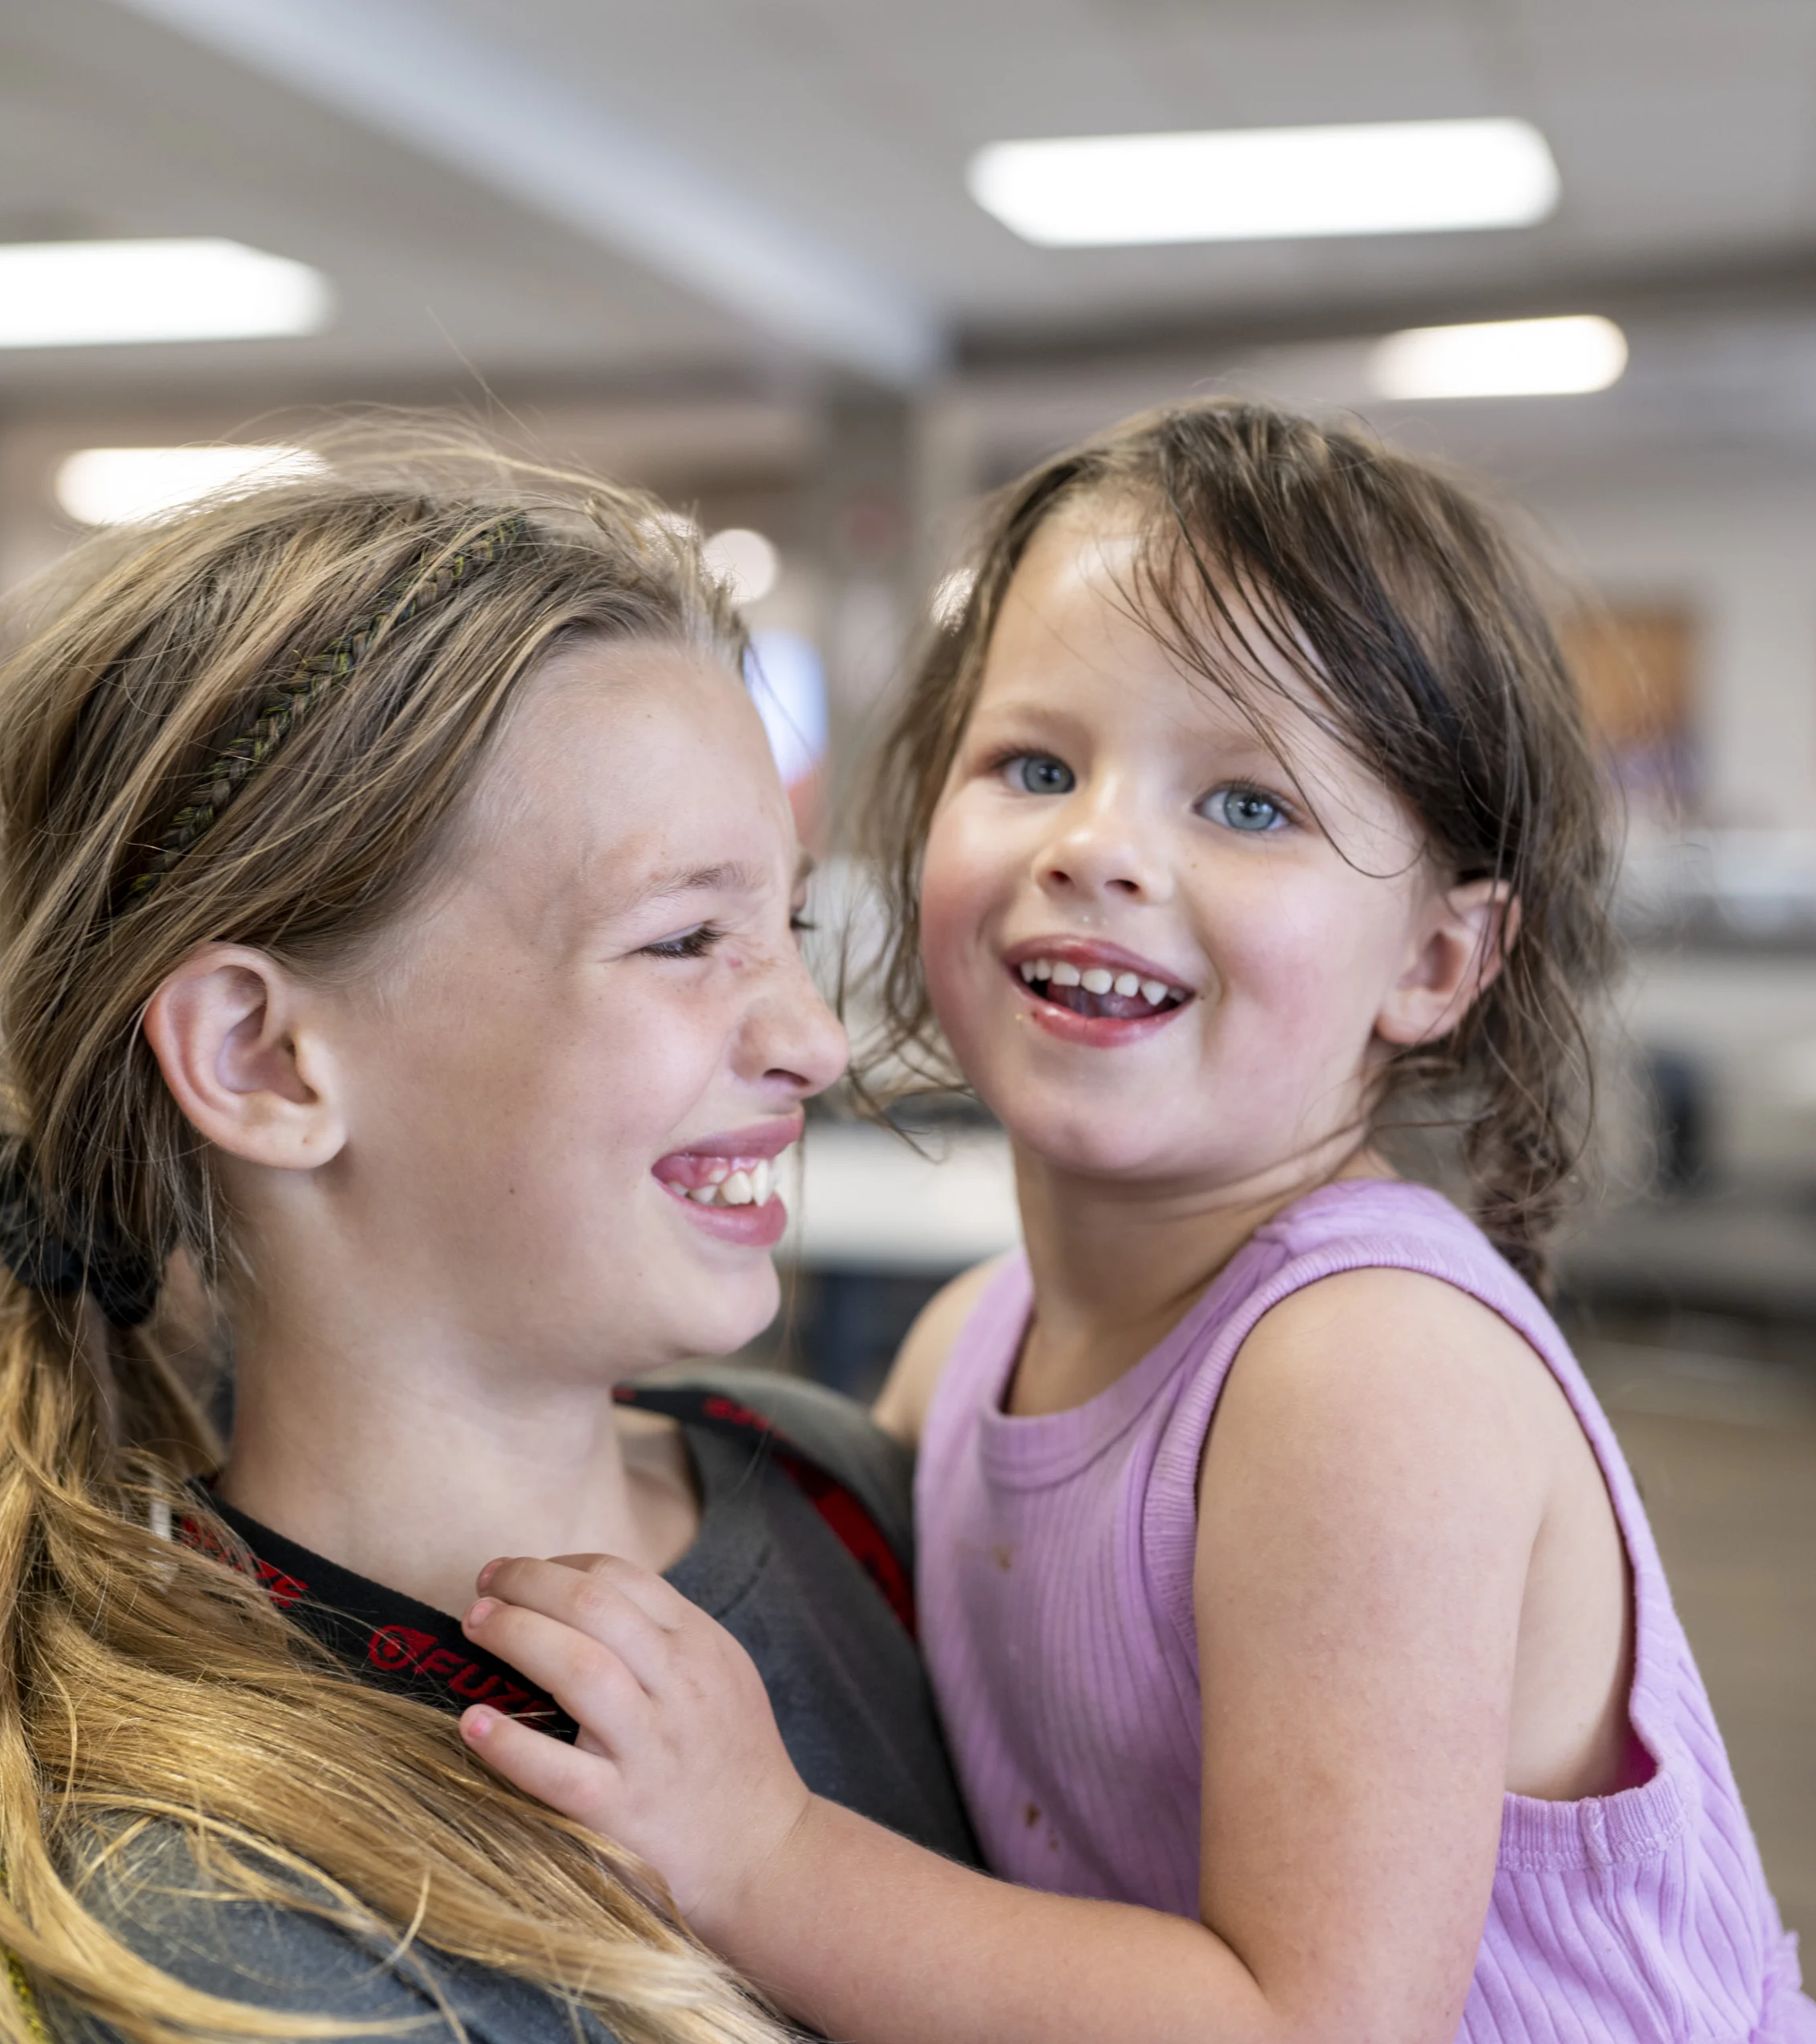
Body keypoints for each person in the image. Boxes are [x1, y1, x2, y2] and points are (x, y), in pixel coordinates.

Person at [458, 401, 1816, 2043]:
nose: (1096, 846)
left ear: (1435, 962)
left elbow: (1310, 2026)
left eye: (1245, 804)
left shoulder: (1363, 1371)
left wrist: (764, 1852)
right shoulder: (970, 1343)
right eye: (1033, 763)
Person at [0, 436, 973, 2044]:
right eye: (684, 937)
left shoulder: (833, 1483)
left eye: (787, 926)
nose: (810, 1037)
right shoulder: (225, 1931)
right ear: (266, 1058)